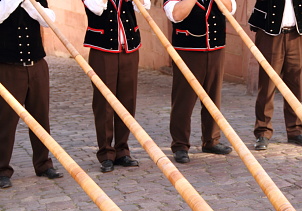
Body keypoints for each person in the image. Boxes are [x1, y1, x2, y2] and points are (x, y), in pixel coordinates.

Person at [0, 0, 63, 189]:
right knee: (5, 120)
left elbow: (48, 20)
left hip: (37, 65)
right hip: (8, 67)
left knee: (41, 117)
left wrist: (29, 3)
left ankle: (43, 164)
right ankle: (2, 170)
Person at [82, 0, 151, 172]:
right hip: (103, 49)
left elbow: (144, 5)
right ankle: (106, 153)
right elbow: (97, 8)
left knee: (128, 100)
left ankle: (122, 150)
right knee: (104, 103)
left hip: (129, 47)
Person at [163, 0, 235, 164]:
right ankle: (180, 145)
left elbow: (230, 9)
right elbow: (176, 14)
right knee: (184, 100)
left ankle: (211, 140)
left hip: (216, 48)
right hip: (188, 50)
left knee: (213, 97)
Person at [248, 0, 302, 151]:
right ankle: (263, 132)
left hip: (295, 32)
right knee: (267, 85)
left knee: (294, 84)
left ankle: (295, 130)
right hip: (269, 33)